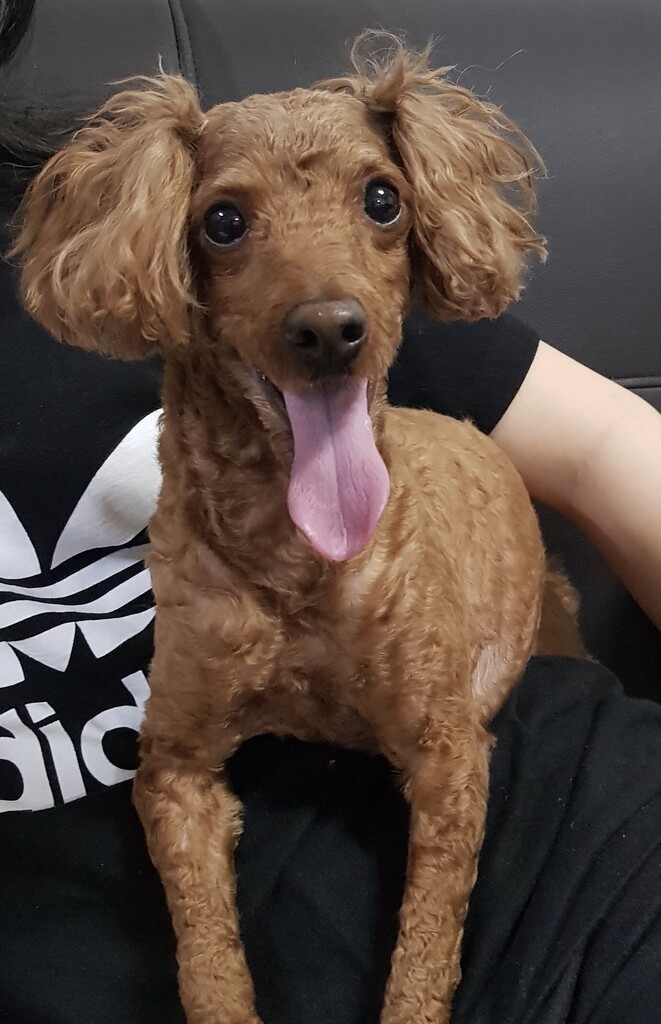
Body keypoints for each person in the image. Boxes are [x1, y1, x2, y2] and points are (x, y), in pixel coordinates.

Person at [1, 4, 661, 1023]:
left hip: (563, 830)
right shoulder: (120, 218)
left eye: (379, 205)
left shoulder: (373, 292)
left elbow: (613, 447)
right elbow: (174, 768)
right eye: (228, 226)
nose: (322, 299)